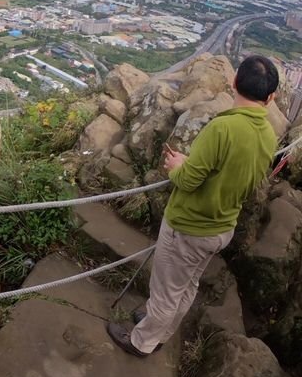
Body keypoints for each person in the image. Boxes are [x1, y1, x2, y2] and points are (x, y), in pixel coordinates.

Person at [107, 54, 279, 357]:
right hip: (221, 227)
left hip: (190, 227)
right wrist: (194, 165)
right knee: (186, 286)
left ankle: (141, 342)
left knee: (164, 293)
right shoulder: (267, 134)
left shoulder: (222, 129)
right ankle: (163, 329)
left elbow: (186, 181)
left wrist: (177, 165)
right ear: (271, 96)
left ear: (234, 82)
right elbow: (232, 171)